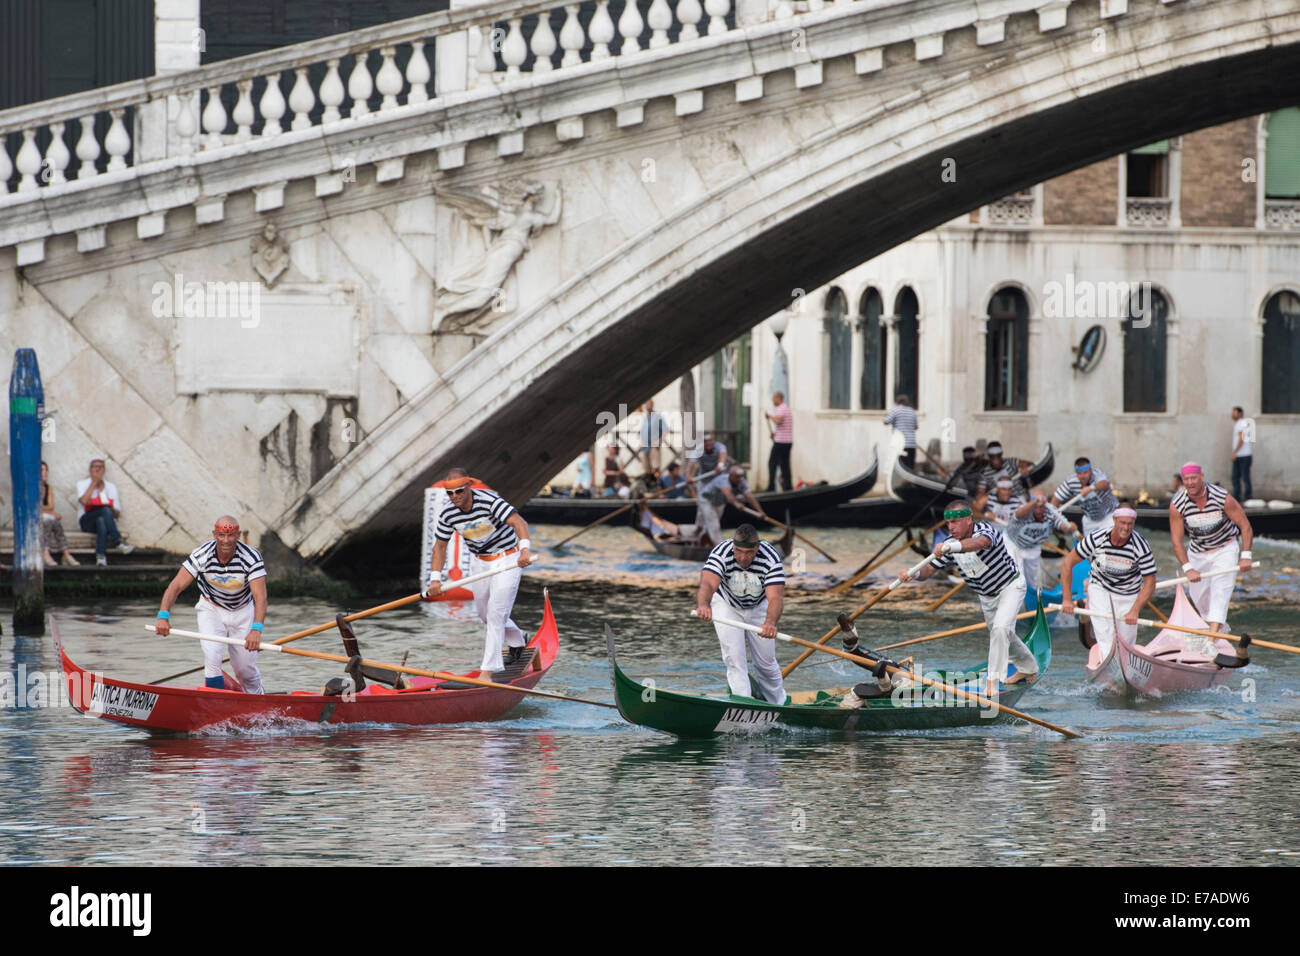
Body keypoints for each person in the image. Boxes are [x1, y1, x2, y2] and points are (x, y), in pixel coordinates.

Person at [898, 502, 1036, 698]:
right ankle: (1029, 667)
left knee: (1000, 630)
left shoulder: (985, 531)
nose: (951, 527)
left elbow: (981, 543)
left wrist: (950, 547)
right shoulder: (949, 543)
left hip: (1011, 587)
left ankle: (992, 681)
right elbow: (928, 570)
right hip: (986, 597)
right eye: (948, 523)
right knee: (1006, 635)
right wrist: (913, 573)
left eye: (955, 522)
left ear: (968, 520)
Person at [424, 469, 532, 678]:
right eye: (450, 493)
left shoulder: (489, 501)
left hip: (507, 559)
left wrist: (525, 549)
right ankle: (519, 640)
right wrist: (435, 579)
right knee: (484, 614)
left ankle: (487, 671)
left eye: (459, 491)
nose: (455, 497)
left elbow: (520, 523)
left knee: (495, 616)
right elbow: (439, 547)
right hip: (480, 562)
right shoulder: (448, 513)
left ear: (468, 487)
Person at [155, 515, 267, 693]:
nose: (226, 541)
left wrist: (256, 629)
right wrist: (163, 616)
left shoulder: (251, 557)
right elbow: (175, 586)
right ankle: (216, 704)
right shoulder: (202, 554)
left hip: (243, 611)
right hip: (211, 609)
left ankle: (258, 701)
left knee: (245, 671)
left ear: (238, 535)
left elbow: (260, 598)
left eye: (231, 536)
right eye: (221, 535)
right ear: (214, 534)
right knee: (212, 657)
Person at [694, 524, 787, 704]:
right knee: (734, 659)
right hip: (727, 605)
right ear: (733, 547)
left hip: (760, 607)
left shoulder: (771, 558)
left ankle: (778, 704)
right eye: (738, 551)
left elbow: (775, 597)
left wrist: (770, 623)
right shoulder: (721, 553)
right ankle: (742, 703)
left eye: (748, 552)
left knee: (766, 664)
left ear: (757, 547)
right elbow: (708, 584)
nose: (743, 558)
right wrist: (703, 604)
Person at [1060, 508, 1157, 661]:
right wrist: (1066, 599)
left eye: (1130, 524)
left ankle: (1122, 664)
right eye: (1123, 523)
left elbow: (1150, 582)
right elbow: (1067, 564)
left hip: (1128, 593)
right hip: (1100, 589)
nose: (1126, 528)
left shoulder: (1140, 546)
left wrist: (1135, 610)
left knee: (1126, 641)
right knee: (1106, 632)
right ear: (1114, 520)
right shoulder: (1096, 538)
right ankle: (1108, 662)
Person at [1168, 462, 1253, 633]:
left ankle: (1211, 641)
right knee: (1199, 600)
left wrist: (1246, 556)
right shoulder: (1177, 504)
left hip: (1225, 549)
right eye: (1186, 479)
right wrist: (1188, 568)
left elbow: (1245, 526)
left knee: (1220, 593)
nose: (1190, 482)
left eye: (1193, 478)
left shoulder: (1222, 497)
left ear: (1202, 477)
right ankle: (1219, 631)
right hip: (1198, 552)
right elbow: (1177, 541)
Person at [1008, 491, 1077, 590]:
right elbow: (1019, 514)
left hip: (1033, 546)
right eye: (1036, 507)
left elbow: (1062, 525)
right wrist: (1035, 502)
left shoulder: (1050, 512)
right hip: (1014, 545)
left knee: (1033, 581)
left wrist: (1070, 527)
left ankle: (1032, 597)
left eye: (1042, 507)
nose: (1039, 511)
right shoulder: (1024, 511)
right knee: (1017, 578)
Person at [76, 456, 133, 566]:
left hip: (103, 520)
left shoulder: (111, 487)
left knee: (102, 519)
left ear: (104, 470)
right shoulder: (82, 484)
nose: (97, 470)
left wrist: (108, 508)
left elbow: (117, 514)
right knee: (103, 512)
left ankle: (101, 556)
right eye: (95, 467)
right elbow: (83, 501)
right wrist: (94, 482)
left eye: (100, 467)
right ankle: (118, 541)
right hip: (86, 520)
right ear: (90, 469)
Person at [695, 465, 767, 549]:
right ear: (730, 475)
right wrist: (736, 504)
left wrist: (760, 511)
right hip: (706, 500)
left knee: (710, 524)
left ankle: (701, 540)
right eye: (737, 477)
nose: (739, 479)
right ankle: (720, 548)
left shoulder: (741, 481)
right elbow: (728, 494)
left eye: (740, 477)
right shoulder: (723, 480)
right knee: (714, 524)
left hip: (719, 503)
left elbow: (750, 497)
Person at [1052, 456, 1117, 535]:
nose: (1082, 476)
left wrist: (1091, 488)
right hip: (1089, 520)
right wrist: (1058, 521)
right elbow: (1055, 500)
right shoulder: (1071, 482)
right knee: (1089, 546)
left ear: (1090, 471)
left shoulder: (1097, 475)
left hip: (1109, 516)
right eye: (1079, 473)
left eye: (1085, 473)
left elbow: (1104, 484)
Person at [40, 461, 77, 567]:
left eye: (46, 470)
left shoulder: (48, 488)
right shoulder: (31, 487)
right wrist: (51, 512)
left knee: (54, 521)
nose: (45, 473)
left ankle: (66, 554)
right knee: (49, 519)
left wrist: (50, 512)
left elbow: (51, 506)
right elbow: (33, 507)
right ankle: (45, 553)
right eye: (42, 470)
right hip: (33, 517)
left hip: (45, 516)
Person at [765, 392, 793, 492]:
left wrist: (769, 416)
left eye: (773, 399)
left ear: (778, 398)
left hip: (781, 442)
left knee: (772, 463)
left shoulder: (781, 408)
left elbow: (778, 421)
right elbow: (783, 425)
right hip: (787, 441)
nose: (772, 401)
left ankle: (771, 487)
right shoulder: (786, 408)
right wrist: (775, 434)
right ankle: (788, 487)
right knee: (784, 464)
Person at [883, 394, 918, 469]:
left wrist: (887, 415)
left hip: (900, 444)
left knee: (902, 466)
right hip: (912, 444)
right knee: (910, 466)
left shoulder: (896, 410)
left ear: (897, 402)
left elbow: (886, 422)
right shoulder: (912, 411)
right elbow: (916, 427)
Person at [1231, 406, 1253, 502]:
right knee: (1236, 476)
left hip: (1243, 455)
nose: (1232, 414)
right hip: (1241, 455)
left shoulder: (1241, 423)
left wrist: (1235, 453)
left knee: (1243, 477)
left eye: (1234, 412)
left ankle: (1247, 497)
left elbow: (1241, 438)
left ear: (1240, 413)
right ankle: (1237, 496)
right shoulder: (1239, 424)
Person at [640, 400, 665, 475]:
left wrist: (659, 441)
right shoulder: (645, 417)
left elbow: (665, 430)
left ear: (652, 405)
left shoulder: (657, 416)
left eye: (649, 404)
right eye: (646, 404)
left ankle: (657, 483)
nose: (647, 406)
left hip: (654, 445)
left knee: (655, 467)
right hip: (645, 446)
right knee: (646, 468)